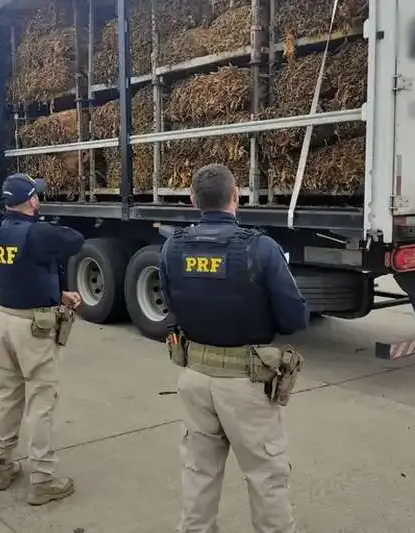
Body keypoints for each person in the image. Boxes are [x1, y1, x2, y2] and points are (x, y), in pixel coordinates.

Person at [158, 164, 310, 533]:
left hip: (194, 378)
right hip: (246, 383)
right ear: (236, 196)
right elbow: (294, 319)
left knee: (199, 473)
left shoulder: (171, 247)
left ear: (193, 200)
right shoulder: (260, 248)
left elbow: (170, 306)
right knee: (266, 476)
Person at [0, 173, 85, 506]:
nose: (39, 200)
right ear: (31, 200)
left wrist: (60, 294)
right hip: (33, 328)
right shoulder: (35, 232)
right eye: (37, 196)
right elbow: (74, 240)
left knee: (7, 395)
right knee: (41, 401)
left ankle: (2, 465)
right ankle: (43, 477)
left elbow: (25, 274)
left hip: (5, 320)